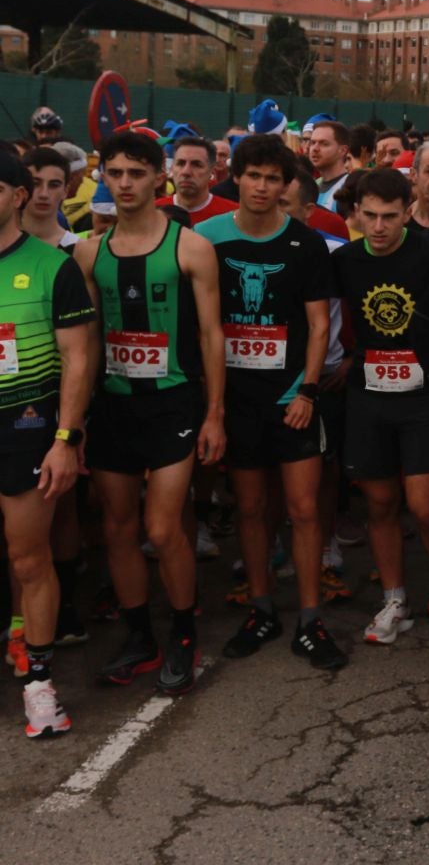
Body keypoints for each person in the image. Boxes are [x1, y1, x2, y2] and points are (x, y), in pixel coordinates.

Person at [76, 132, 226, 696]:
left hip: (175, 403)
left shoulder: (189, 247)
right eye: (114, 174)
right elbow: (86, 344)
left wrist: (215, 413)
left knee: (163, 527)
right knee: (117, 526)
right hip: (115, 405)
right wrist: (79, 419)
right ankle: (140, 636)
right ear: (103, 179)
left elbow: (213, 335)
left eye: (136, 174)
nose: (124, 184)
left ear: (158, 177)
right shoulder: (90, 252)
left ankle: (184, 632)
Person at [203, 136, 345, 670]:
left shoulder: (306, 244)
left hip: (292, 398)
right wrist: (213, 405)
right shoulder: (205, 238)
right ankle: (260, 610)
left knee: (305, 511)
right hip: (236, 399)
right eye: (253, 176)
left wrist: (308, 390)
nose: (262, 187)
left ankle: (312, 619)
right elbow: (204, 326)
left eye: (273, 179)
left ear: (286, 186)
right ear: (236, 177)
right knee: (251, 507)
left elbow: (317, 324)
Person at [332, 169, 429, 648]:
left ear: (409, 212)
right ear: (356, 214)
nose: (380, 227)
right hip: (368, 395)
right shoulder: (344, 260)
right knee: (381, 503)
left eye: (390, 216)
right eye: (370, 216)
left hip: (425, 394)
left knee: (426, 507)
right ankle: (394, 600)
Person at [0, 148, 95, 737]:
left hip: (24, 433)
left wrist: (66, 439)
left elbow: (78, 358)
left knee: (29, 559)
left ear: (15, 196)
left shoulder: (51, 266)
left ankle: (39, 684)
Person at [161, 136, 236, 225]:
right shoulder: (153, 212)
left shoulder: (233, 216)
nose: (186, 172)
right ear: (172, 168)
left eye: (196, 165)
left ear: (212, 171)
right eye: (180, 163)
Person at [24, 148, 79, 249]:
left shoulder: (81, 250)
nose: (44, 194)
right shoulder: (4, 243)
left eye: (54, 185)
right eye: (35, 184)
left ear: (65, 191)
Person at [306, 120, 352, 210]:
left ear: (343, 150)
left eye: (324, 144)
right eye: (313, 143)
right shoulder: (313, 185)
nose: (315, 148)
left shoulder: (349, 187)